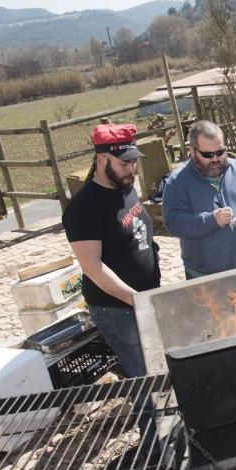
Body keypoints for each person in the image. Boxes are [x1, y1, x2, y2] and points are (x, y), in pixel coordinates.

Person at [62, 123, 161, 378]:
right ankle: (149, 418)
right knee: (143, 375)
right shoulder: (84, 207)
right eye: (124, 163)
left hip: (144, 299)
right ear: (102, 159)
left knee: (159, 363)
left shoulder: (125, 187)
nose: (131, 169)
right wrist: (136, 300)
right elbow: (93, 267)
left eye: (133, 163)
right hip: (117, 309)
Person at [162, 120, 236, 279]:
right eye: (207, 154)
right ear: (192, 151)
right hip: (205, 277)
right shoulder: (177, 181)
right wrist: (211, 220)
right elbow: (174, 223)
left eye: (220, 152)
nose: (215, 159)